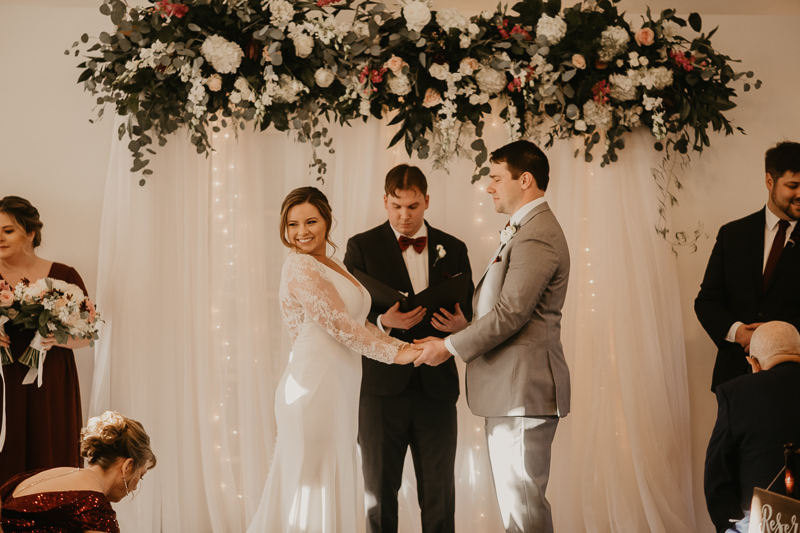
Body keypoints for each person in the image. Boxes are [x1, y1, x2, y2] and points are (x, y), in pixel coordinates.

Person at [414, 140, 571, 533]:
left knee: (524, 509)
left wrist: (448, 347)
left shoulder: (536, 233)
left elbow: (513, 313)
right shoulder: (526, 228)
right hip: (511, 388)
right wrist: (464, 329)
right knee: (518, 506)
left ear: (526, 179)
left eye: (496, 178)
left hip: (522, 389)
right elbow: (513, 311)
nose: (489, 187)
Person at [247, 187, 421, 533]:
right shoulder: (300, 265)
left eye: (311, 221)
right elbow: (342, 328)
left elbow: (357, 321)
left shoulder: (333, 263)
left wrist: (399, 342)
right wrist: (397, 355)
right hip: (312, 390)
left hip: (337, 388)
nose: (301, 232)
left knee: (332, 474)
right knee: (310, 484)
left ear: (327, 220)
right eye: (292, 224)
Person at [343, 165, 474, 533]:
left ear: (427, 201)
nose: (404, 216)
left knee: (440, 496)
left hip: (437, 387)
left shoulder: (456, 248)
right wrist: (385, 323)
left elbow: (472, 306)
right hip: (381, 391)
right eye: (397, 206)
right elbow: (345, 317)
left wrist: (463, 328)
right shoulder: (360, 247)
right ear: (385, 201)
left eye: (413, 207)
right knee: (379, 498)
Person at [0, 196, 91, 485]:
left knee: (49, 452)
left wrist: (58, 339)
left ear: (30, 233)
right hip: (3, 378)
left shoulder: (64, 276)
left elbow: (87, 334)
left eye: (7, 230)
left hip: (50, 381)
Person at [695, 141, 800, 392]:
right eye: (793, 185)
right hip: (734, 379)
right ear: (769, 181)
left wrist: (773, 336)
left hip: (793, 380)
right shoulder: (733, 234)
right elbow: (707, 301)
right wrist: (738, 332)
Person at [704, 321, 800, 533]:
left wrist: (727, 527)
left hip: (763, 524)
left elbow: (718, 475)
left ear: (753, 363)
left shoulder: (736, 393)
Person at [0, 410, 157, 532]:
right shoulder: (96, 510)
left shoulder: (49, 473)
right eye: (140, 475)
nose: (135, 486)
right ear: (127, 466)